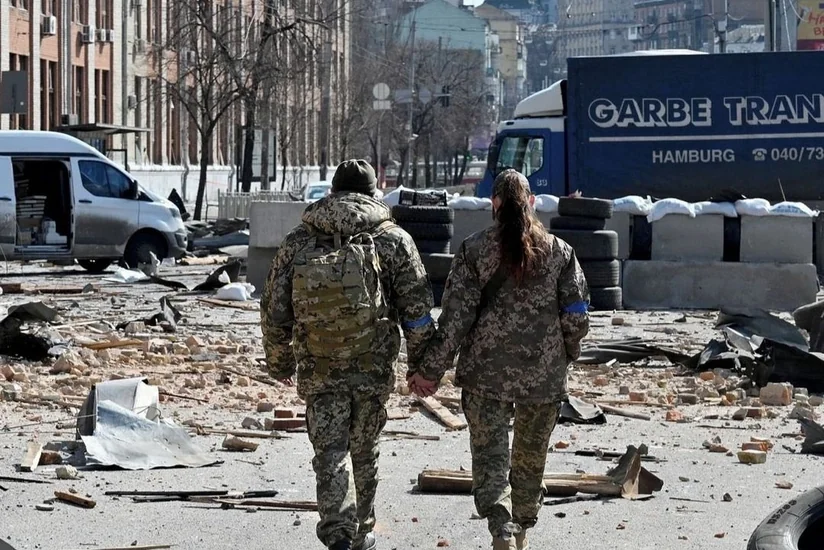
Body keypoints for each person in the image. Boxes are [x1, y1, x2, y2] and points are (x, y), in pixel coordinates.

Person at [408, 169, 590, 550]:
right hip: (542, 379)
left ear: (494, 204)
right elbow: (576, 315)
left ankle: (501, 529)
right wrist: (565, 355)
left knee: (491, 458)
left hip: (484, 376)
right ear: (532, 203)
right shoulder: (560, 252)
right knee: (529, 458)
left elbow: (455, 320)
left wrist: (429, 371)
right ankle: (521, 529)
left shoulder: (474, 250)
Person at [261, 159, 435, 550]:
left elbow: (274, 308)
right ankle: (362, 531)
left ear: (333, 191)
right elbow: (418, 311)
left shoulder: (298, 240)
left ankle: (338, 532)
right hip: (372, 366)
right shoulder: (393, 240)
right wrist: (422, 367)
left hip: (318, 365)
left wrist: (280, 362)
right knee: (364, 448)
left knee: (330, 452)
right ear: (373, 193)